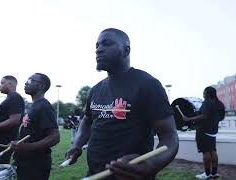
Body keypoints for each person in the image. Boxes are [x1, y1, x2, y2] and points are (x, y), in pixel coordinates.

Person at [65, 28, 179, 180]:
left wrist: (152, 164)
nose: (98, 50)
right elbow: (87, 120)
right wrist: (77, 145)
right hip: (94, 174)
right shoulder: (95, 90)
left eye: (106, 44)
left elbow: (169, 136)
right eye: (97, 46)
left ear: (126, 50)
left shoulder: (148, 85)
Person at [11, 73, 60, 180]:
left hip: (35, 165)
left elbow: (55, 137)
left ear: (41, 86)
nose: (25, 83)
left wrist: (28, 147)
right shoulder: (34, 105)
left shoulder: (44, 106)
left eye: (30, 81)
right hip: (25, 162)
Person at [182, 86, 225, 179]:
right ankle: (214, 173)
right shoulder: (219, 103)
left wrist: (188, 119)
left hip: (203, 131)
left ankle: (207, 173)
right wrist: (213, 121)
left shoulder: (207, 102)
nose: (203, 94)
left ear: (207, 93)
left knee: (205, 152)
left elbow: (204, 116)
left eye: (204, 92)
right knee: (213, 151)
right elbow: (221, 117)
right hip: (213, 131)